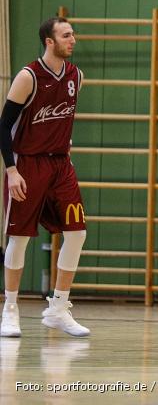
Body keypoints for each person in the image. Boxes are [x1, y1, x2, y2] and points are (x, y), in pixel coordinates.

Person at [1, 17, 90, 338]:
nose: (73, 39)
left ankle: (58, 308)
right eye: (66, 35)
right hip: (27, 165)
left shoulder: (76, 76)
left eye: (73, 34)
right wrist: (12, 170)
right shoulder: (28, 77)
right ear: (49, 41)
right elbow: (3, 126)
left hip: (61, 165)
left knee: (77, 233)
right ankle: (10, 309)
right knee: (20, 237)